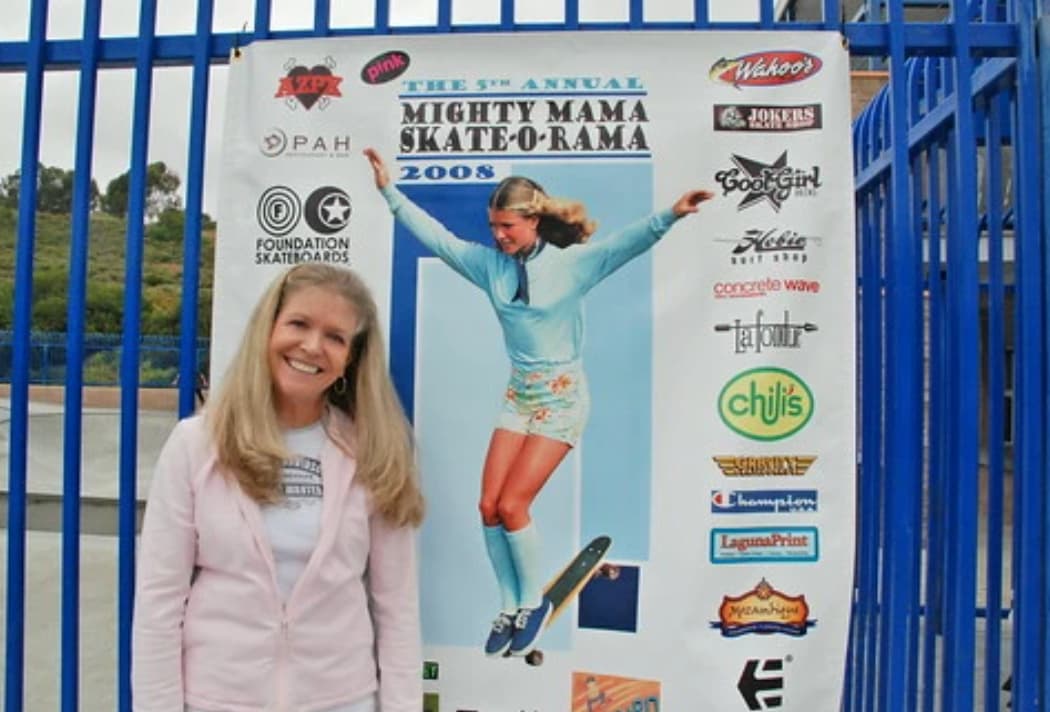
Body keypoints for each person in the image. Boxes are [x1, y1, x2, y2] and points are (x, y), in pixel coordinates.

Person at [363, 148, 712, 659]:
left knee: (513, 505)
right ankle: (509, 606)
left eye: (507, 226)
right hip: (519, 394)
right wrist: (389, 193)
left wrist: (671, 215)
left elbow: (625, 245)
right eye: (493, 226)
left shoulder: (572, 267)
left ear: (533, 221)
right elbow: (438, 237)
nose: (498, 236)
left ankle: (533, 603)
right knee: (487, 506)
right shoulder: (489, 267)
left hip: (562, 396)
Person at [132, 263, 424, 711]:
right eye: (299, 323)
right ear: (267, 330)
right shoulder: (196, 445)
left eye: (335, 337)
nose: (312, 346)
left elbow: (397, 607)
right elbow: (158, 602)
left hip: (342, 700)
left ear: (351, 359)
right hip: (217, 700)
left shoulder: (374, 453)